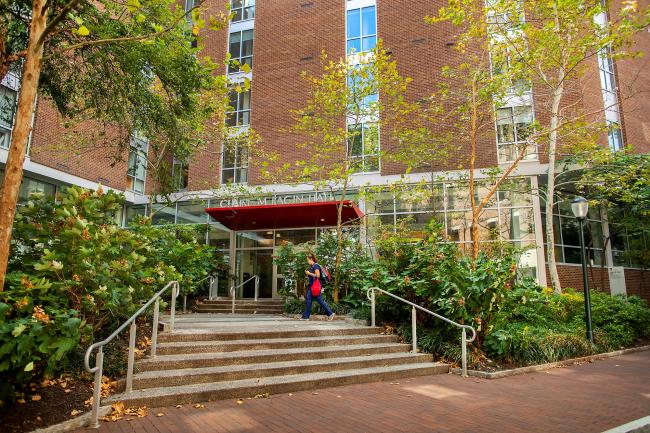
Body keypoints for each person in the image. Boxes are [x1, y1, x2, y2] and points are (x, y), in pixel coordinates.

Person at [301, 253, 335, 321]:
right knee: (310, 300)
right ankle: (306, 316)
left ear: (311, 259)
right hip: (312, 286)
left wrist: (309, 273)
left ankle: (330, 313)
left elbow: (318, 275)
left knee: (317, 300)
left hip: (315, 286)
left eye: (308, 260)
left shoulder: (315, 266)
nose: (307, 261)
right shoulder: (313, 266)